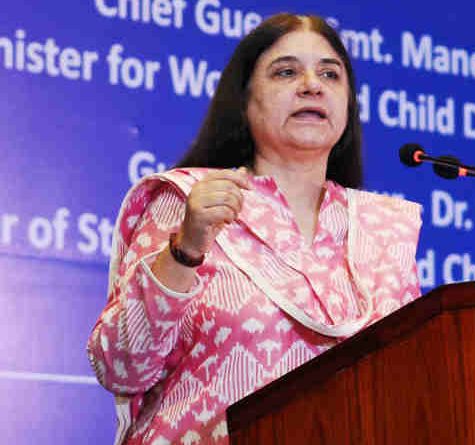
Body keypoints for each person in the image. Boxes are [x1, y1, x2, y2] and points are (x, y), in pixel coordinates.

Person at [86, 13, 422, 445]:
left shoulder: (384, 227)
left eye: (330, 74)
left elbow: (413, 382)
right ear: (243, 103)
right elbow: (120, 365)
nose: (311, 85)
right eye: (286, 71)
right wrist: (185, 249)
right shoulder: (188, 203)